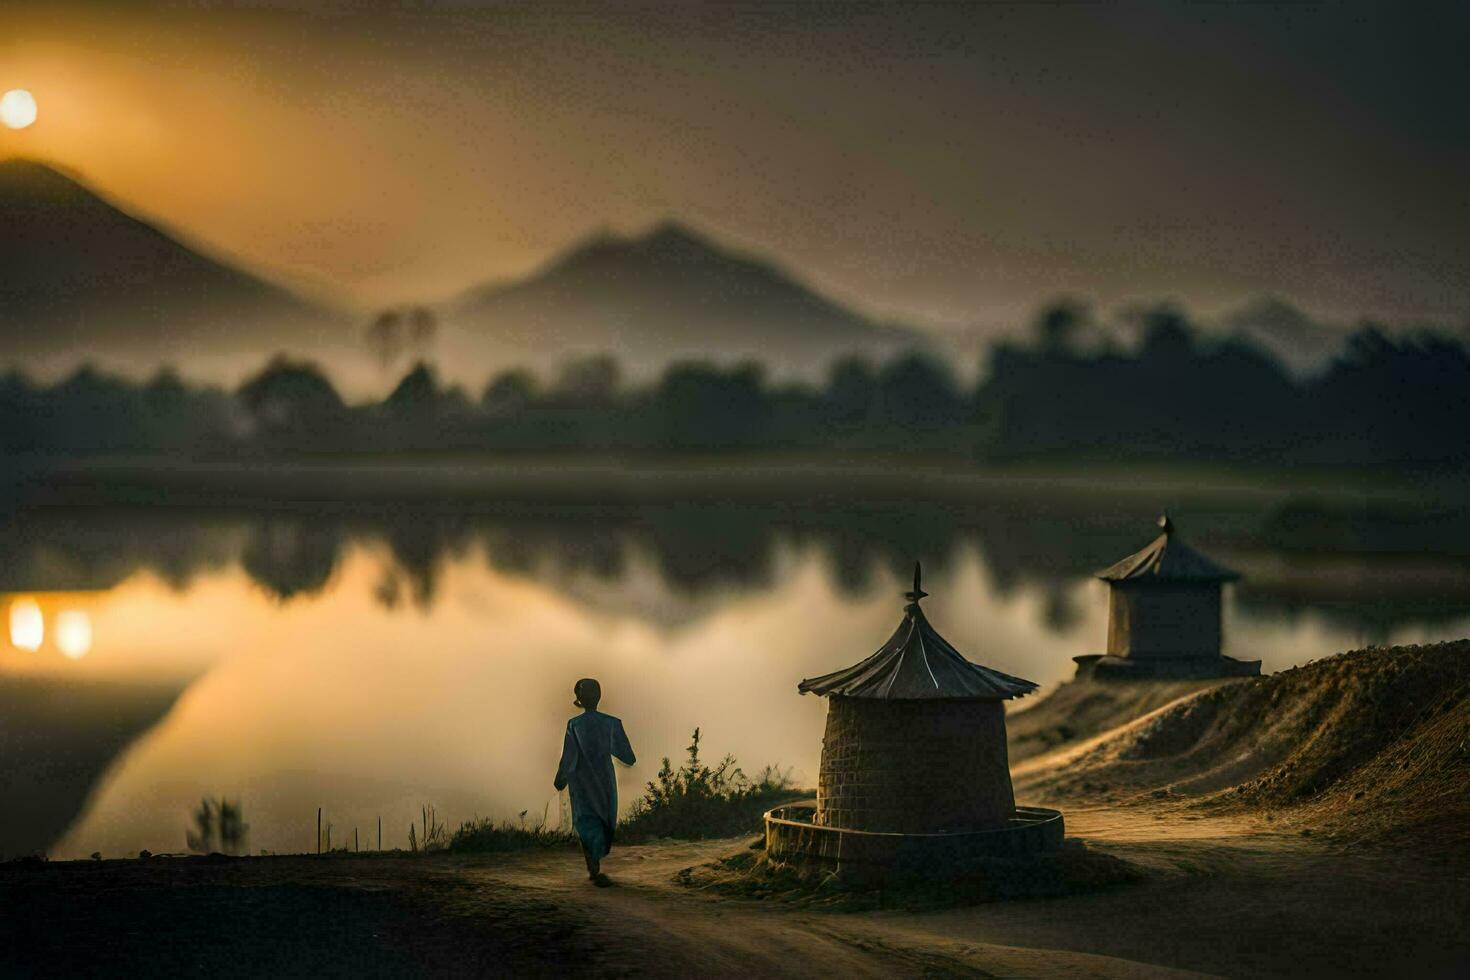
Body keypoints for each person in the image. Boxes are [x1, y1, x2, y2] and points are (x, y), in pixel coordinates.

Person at [553, 678, 635, 885]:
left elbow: (569, 756)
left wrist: (561, 778)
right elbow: (628, 756)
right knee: (604, 820)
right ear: (599, 696)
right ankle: (595, 865)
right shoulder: (612, 724)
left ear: (579, 698)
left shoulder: (575, 725)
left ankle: (593, 866)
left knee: (586, 821)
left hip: (581, 782)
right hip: (605, 781)